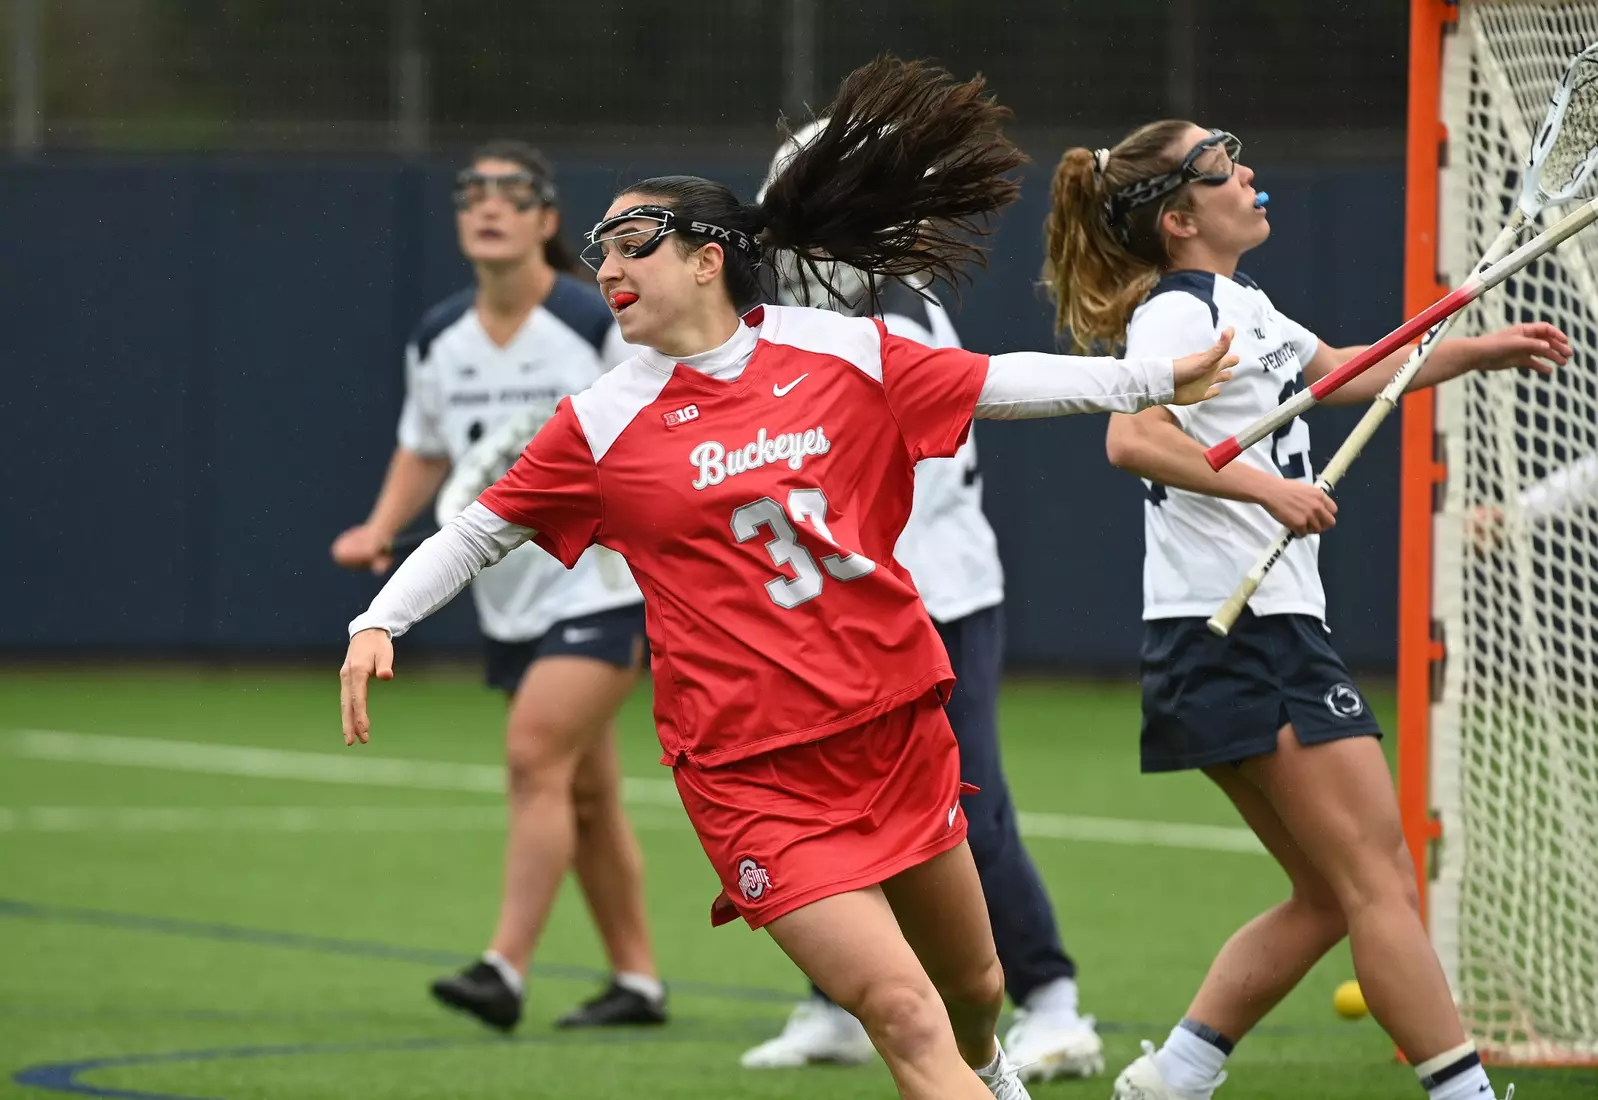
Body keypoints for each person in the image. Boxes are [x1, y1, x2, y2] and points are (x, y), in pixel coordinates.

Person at [340, 59, 1235, 1100]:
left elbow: (1000, 382)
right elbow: (476, 531)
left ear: (710, 257)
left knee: (972, 988)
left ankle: (989, 1066)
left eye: (633, 243)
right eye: (600, 249)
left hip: (892, 729)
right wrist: (380, 618)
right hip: (749, 774)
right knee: (902, 1011)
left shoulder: (843, 351)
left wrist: (1150, 377)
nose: (607, 264)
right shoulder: (602, 417)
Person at [1040, 119, 1568, 1100]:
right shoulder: (1174, 312)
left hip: (1249, 631)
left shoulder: (1242, 303)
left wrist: (1473, 349)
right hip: (1246, 634)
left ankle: (1176, 1074)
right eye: (1222, 165)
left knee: (1333, 892)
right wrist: (1266, 491)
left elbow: (1342, 372)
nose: (1249, 172)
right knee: (1377, 879)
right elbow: (1129, 437)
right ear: (1179, 218)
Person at [736, 120, 1103, 1082]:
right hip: (844, 609)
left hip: (927, 597)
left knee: (962, 810)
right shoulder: (794, 321)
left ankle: (1052, 998)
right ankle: (833, 999)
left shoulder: (890, 326)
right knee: (828, 813)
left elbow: (866, 498)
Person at [330, 140, 666, 1033]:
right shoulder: (439, 335)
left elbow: (649, 429)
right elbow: (426, 443)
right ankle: (638, 982)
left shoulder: (596, 321)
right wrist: (378, 525)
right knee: (583, 792)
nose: (488, 207)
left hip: (600, 586)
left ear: (548, 221)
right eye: (471, 194)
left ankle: (504, 970)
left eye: (512, 195)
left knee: (531, 754)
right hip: (505, 596)